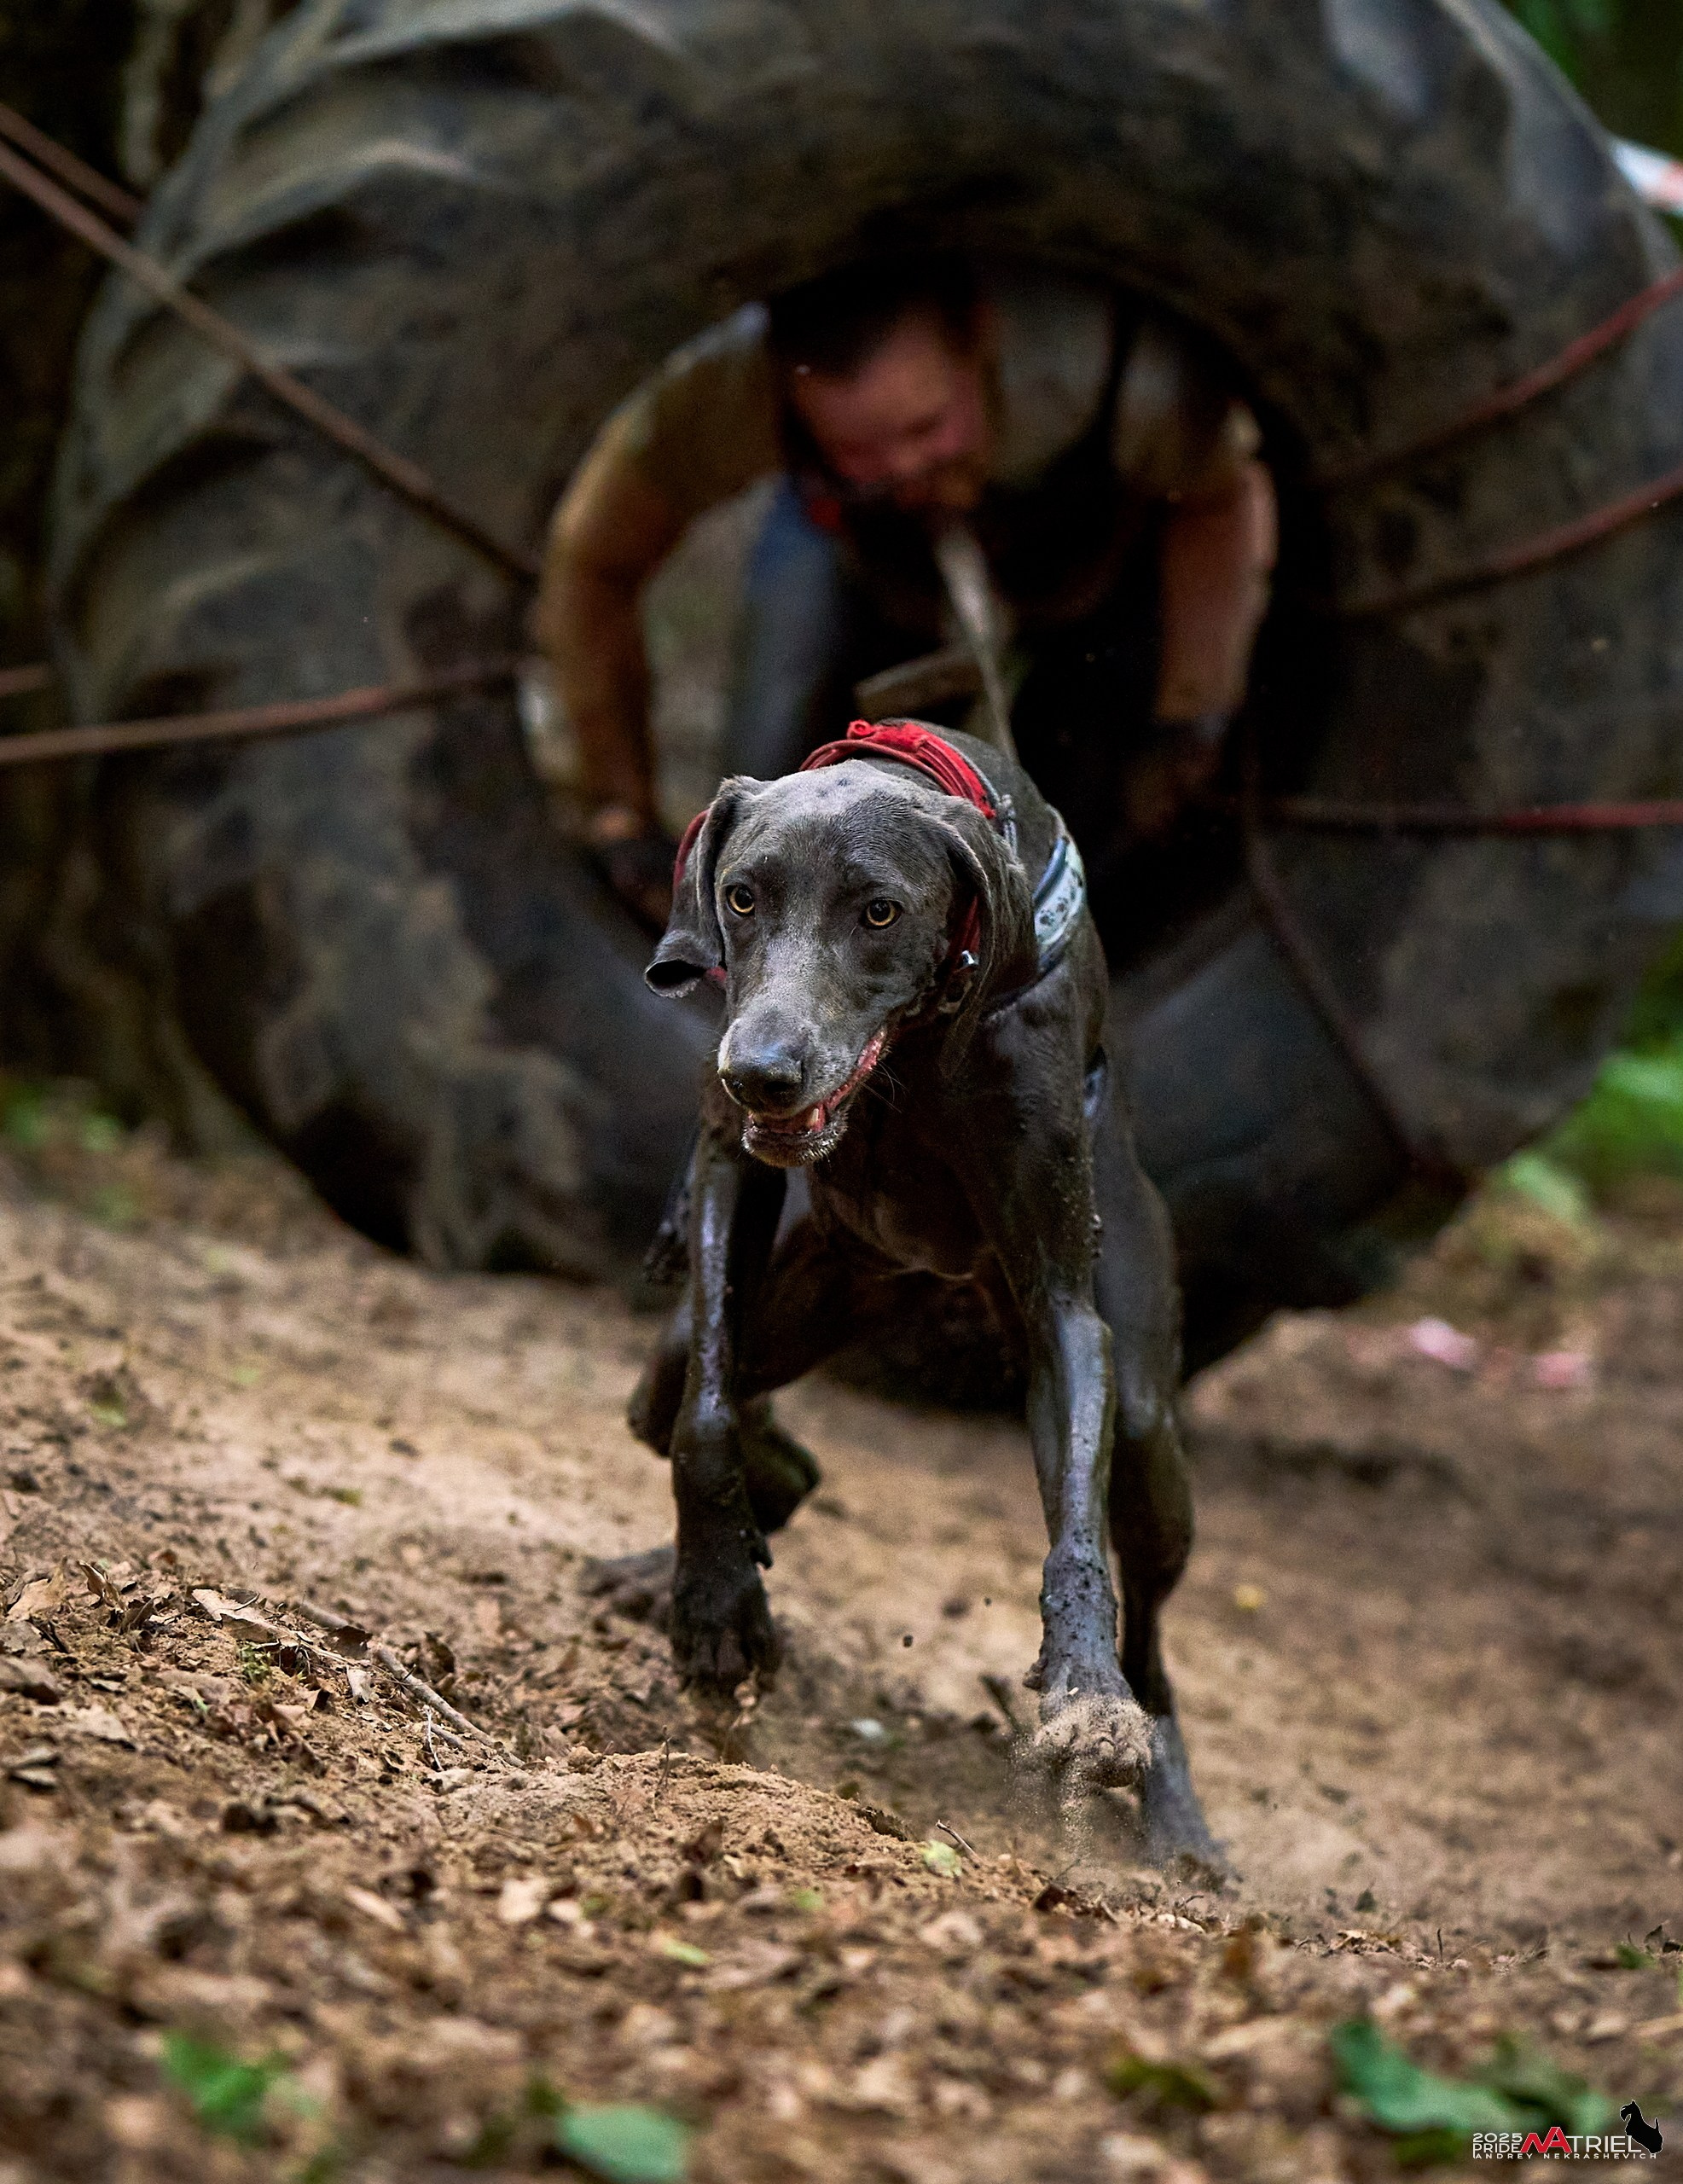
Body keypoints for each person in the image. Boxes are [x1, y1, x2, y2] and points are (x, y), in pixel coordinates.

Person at [534, 253, 1278, 928]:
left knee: (1104, 828)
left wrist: (1190, 715)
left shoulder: (1119, 375)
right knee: (783, 816)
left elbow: (1221, 499)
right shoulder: (737, 394)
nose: (902, 469)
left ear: (977, 340)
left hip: (1099, 579)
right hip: (862, 570)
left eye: (926, 428)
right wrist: (619, 807)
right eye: (860, 451)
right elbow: (593, 560)